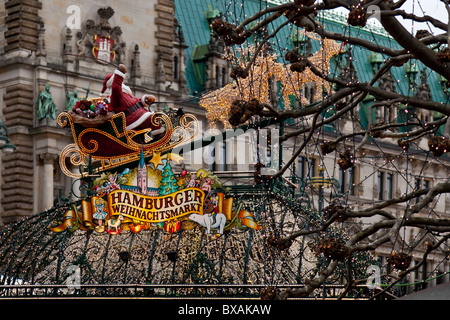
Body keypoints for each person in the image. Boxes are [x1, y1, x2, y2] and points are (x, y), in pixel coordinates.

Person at [101, 64, 165, 139]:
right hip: (132, 119)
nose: (123, 83)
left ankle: (157, 139)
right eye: (121, 81)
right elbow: (116, 87)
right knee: (154, 119)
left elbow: (135, 101)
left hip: (138, 115)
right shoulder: (116, 95)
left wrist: (145, 99)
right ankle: (159, 138)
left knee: (154, 119)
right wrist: (119, 72)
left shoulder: (125, 93)